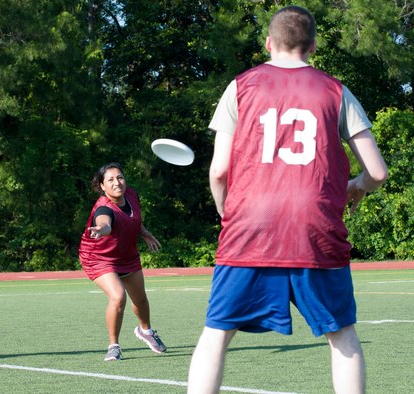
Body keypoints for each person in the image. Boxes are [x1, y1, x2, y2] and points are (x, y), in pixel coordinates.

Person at [187, 6, 388, 393]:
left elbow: (218, 172)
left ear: (268, 43)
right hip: (315, 226)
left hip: (250, 225)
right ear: (312, 46)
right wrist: (357, 185)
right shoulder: (336, 90)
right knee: (341, 335)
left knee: (216, 333)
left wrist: (227, 212)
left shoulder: (240, 86)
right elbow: (377, 172)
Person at [78, 162, 167, 361]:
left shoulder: (132, 195)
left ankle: (146, 331)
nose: (117, 182)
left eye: (120, 177)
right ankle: (114, 346)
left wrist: (144, 233)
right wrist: (101, 230)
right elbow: (105, 223)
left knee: (140, 299)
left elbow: (134, 217)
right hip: (99, 258)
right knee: (118, 297)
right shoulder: (104, 208)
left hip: (126, 255)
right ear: (102, 186)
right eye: (110, 180)